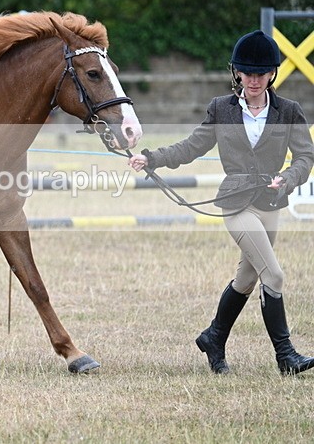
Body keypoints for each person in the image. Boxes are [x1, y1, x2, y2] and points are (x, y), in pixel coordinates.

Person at [128, 30, 314, 375]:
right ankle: (286, 356)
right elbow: (190, 147)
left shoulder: (289, 110)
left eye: (261, 73)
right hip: (236, 203)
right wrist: (151, 158)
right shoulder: (221, 109)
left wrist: (288, 178)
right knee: (273, 274)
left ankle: (213, 337)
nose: (254, 80)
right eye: (248, 73)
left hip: (271, 204)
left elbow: (305, 156)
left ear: (272, 73)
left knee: (247, 279)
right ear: (237, 73)